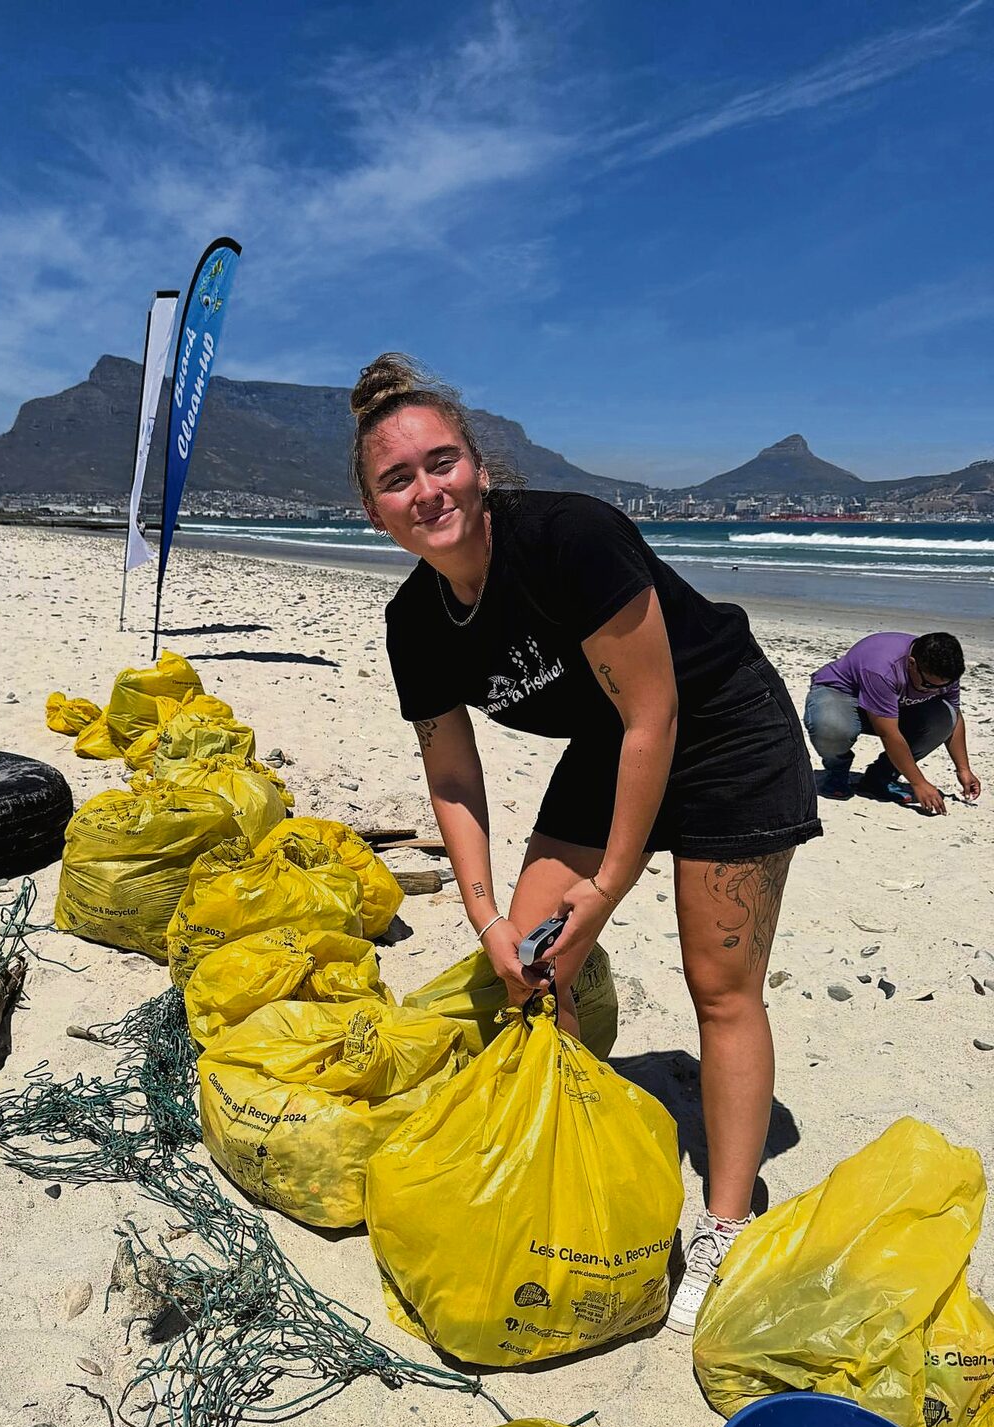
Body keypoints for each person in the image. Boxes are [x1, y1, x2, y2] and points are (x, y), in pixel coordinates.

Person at [352, 353, 822, 1335]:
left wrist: (607, 886)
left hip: (723, 730)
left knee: (720, 986)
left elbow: (657, 716)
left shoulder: (571, 537)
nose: (426, 490)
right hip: (613, 745)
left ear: (479, 467)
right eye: (397, 479)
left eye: (441, 462)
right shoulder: (414, 624)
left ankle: (727, 1223)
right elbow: (452, 776)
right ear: (374, 511)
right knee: (531, 966)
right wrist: (486, 916)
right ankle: (564, 1156)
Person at [804, 632, 979, 813]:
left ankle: (879, 778)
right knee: (830, 726)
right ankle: (837, 772)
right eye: (929, 685)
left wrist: (963, 769)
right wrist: (918, 782)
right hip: (843, 694)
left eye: (942, 686)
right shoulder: (882, 668)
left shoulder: (944, 672)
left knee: (945, 718)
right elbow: (889, 734)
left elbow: (954, 717)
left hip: (894, 704)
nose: (935, 690)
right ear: (912, 663)